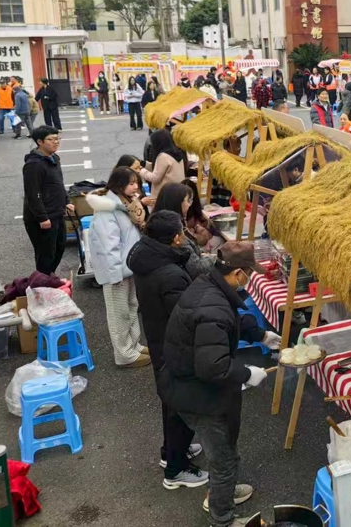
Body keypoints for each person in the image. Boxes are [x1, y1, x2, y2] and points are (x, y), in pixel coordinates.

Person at [161, 242, 281, 527]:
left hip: (186, 382)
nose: (249, 279)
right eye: (249, 273)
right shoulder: (213, 306)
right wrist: (246, 373)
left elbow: (230, 321)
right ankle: (222, 517)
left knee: (224, 451)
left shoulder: (210, 284)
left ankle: (221, 492)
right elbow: (212, 365)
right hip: (196, 393)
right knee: (224, 458)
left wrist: (260, 335)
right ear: (238, 273)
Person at [127, 210, 207, 489]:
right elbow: (185, 316)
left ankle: (171, 451)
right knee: (181, 404)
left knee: (172, 402)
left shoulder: (146, 256)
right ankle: (176, 469)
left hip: (159, 338)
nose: (184, 235)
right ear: (175, 238)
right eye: (182, 231)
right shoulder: (169, 274)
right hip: (175, 346)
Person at [87, 167, 149, 368]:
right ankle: (124, 355)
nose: (136, 187)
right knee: (119, 314)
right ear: (119, 185)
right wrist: (114, 275)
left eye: (136, 182)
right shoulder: (107, 209)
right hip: (116, 271)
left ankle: (133, 345)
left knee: (131, 307)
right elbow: (108, 246)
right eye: (131, 183)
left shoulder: (126, 204)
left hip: (128, 267)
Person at [23, 126, 74, 275]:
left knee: (59, 247)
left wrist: (66, 201)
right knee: (45, 254)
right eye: (51, 139)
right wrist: (42, 217)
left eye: (57, 138)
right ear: (40, 142)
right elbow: (33, 194)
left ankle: (49, 277)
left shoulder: (54, 158)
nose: (56, 142)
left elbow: (58, 183)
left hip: (57, 212)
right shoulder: (33, 165)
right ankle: (43, 282)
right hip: (43, 218)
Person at [155, 183, 216, 278]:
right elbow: (197, 269)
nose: (189, 205)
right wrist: (217, 258)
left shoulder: (157, 222)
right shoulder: (173, 231)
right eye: (188, 201)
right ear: (176, 202)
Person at [140, 129, 186, 200]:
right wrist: (145, 164)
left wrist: (142, 171)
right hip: (176, 192)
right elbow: (161, 169)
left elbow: (155, 178)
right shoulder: (176, 153)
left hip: (164, 196)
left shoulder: (163, 156)